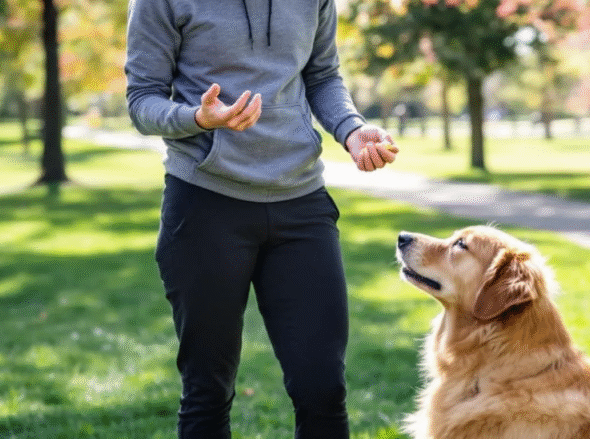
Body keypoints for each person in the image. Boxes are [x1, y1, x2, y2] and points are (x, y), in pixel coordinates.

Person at [124, 0, 398, 437]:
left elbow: (322, 75)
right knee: (207, 391)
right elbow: (142, 100)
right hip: (206, 203)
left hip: (301, 202)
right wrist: (196, 117)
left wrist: (350, 127)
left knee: (323, 388)